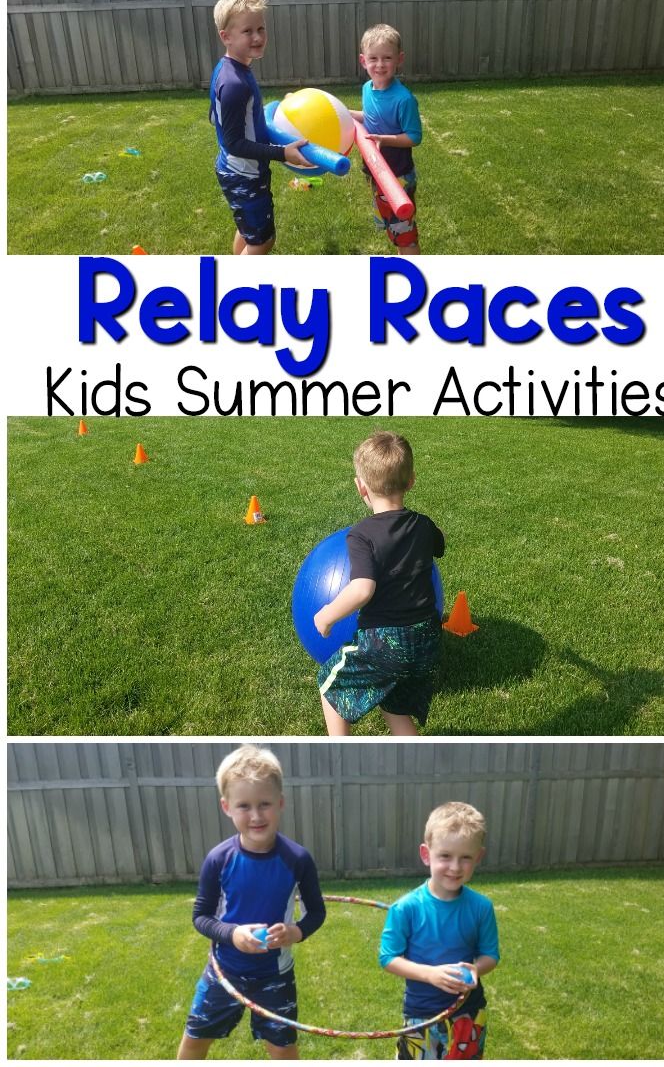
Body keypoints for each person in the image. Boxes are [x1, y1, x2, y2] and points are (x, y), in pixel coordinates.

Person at [177, 745, 326, 1060]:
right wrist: (233, 934)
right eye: (244, 806)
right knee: (193, 1043)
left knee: (284, 1050)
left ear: (280, 803)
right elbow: (201, 917)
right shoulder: (219, 859)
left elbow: (316, 912)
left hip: (275, 976)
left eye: (265, 804)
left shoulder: (297, 859)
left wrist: (295, 932)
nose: (256, 816)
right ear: (226, 806)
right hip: (224, 972)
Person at [314, 431, 444, 736]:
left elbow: (362, 588)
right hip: (427, 641)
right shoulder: (424, 525)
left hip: (385, 644)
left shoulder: (361, 535)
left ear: (361, 487)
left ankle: (339, 761)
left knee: (329, 688)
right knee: (394, 707)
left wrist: (327, 614)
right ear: (411, 480)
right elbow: (440, 544)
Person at [379, 802, 500, 1060]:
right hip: (421, 1012)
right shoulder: (406, 908)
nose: (455, 867)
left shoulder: (481, 907)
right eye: (445, 856)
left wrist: (476, 969)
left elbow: (491, 955)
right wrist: (430, 974)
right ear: (426, 854)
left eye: (465, 857)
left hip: (469, 1011)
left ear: (478, 857)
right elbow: (388, 958)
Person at [209, 0, 308, 255]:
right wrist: (282, 152)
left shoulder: (230, 68)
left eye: (261, 28)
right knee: (262, 240)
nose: (257, 37)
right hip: (244, 173)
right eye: (247, 31)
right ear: (225, 37)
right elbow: (234, 143)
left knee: (248, 230)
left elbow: (217, 117)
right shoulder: (234, 84)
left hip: (240, 170)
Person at [349, 24, 422, 254]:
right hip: (376, 170)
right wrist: (345, 113)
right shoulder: (367, 89)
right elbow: (369, 118)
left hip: (397, 175)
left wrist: (385, 139)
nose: (379, 65)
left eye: (387, 58)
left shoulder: (403, 99)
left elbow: (414, 137)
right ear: (363, 61)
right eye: (373, 58)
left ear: (399, 59)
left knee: (405, 234)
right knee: (393, 228)